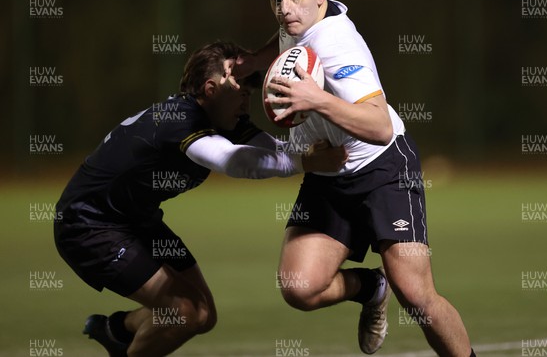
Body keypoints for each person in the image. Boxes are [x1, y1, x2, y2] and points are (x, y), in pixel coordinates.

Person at [236, 0, 475, 356]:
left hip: (383, 169)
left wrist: (317, 100)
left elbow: (380, 127)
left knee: (416, 296)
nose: (285, 10)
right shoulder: (299, 18)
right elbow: (282, 37)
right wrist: (253, 62)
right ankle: (370, 286)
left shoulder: (337, 46)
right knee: (300, 288)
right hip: (328, 173)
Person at [54, 41, 347, 357]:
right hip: (89, 225)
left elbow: (271, 151)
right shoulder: (181, 119)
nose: (248, 94)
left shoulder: (223, 118)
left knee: (203, 315)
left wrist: (308, 151)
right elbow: (232, 162)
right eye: (239, 85)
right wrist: (305, 162)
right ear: (210, 89)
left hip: (135, 220)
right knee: (185, 312)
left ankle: (116, 331)